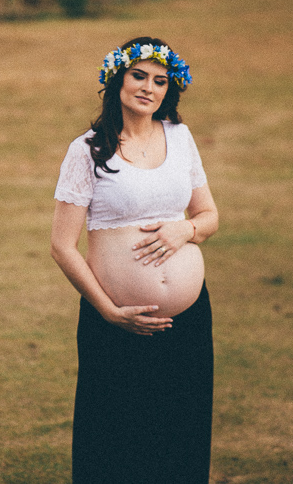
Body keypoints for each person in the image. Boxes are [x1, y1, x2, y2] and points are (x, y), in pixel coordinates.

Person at [50, 37, 219, 483]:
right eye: (139, 76)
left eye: (160, 81)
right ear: (117, 80)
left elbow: (209, 215)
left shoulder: (180, 138)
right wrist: (108, 312)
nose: (148, 87)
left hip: (187, 320)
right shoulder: (88, 150)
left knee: (181, 432)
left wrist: (186, 229)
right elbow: (62, 246)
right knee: (116, 437)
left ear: (169, 89)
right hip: (117, 322)